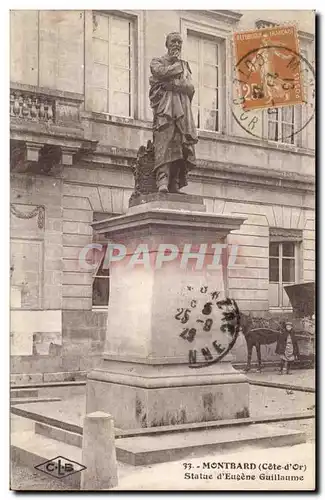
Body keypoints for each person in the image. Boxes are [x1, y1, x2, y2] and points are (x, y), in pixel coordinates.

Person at [149, 32, 198, 193]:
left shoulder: (185, 65)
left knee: (180, 144)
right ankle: (162, 180)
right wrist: (176, 68)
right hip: (166, 110)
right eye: (173, 42)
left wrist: (172, 85)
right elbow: (159, 73)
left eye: (179, 42)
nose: (177, 45)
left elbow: (190, 87)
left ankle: (175, 183)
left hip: (183, 110)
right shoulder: (157, 61)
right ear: (167, 44)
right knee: (165, 141)